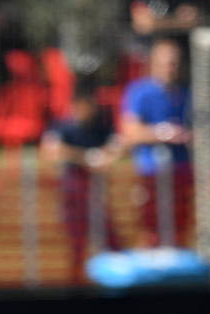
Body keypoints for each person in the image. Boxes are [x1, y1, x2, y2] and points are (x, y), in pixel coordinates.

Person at [41, 89, 123, 284]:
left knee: (111, 241)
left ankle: (109, 280)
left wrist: (105, 156)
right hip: (73, 192)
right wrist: (85, 158)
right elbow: (50, 150)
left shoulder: (101, 126)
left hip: (96, 194)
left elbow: (117, 145)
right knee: (76, 244)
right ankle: (75, 283)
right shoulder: (63, 126)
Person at [119, 38, 191, 247]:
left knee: (180, 227)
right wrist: (163, 134)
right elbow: (130, 130)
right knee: (150, 229)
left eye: (174, 63)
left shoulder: (186, 93)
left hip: (181, 171)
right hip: (151, 173)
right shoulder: (140, 92)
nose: (170, 68)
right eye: (165, 63)